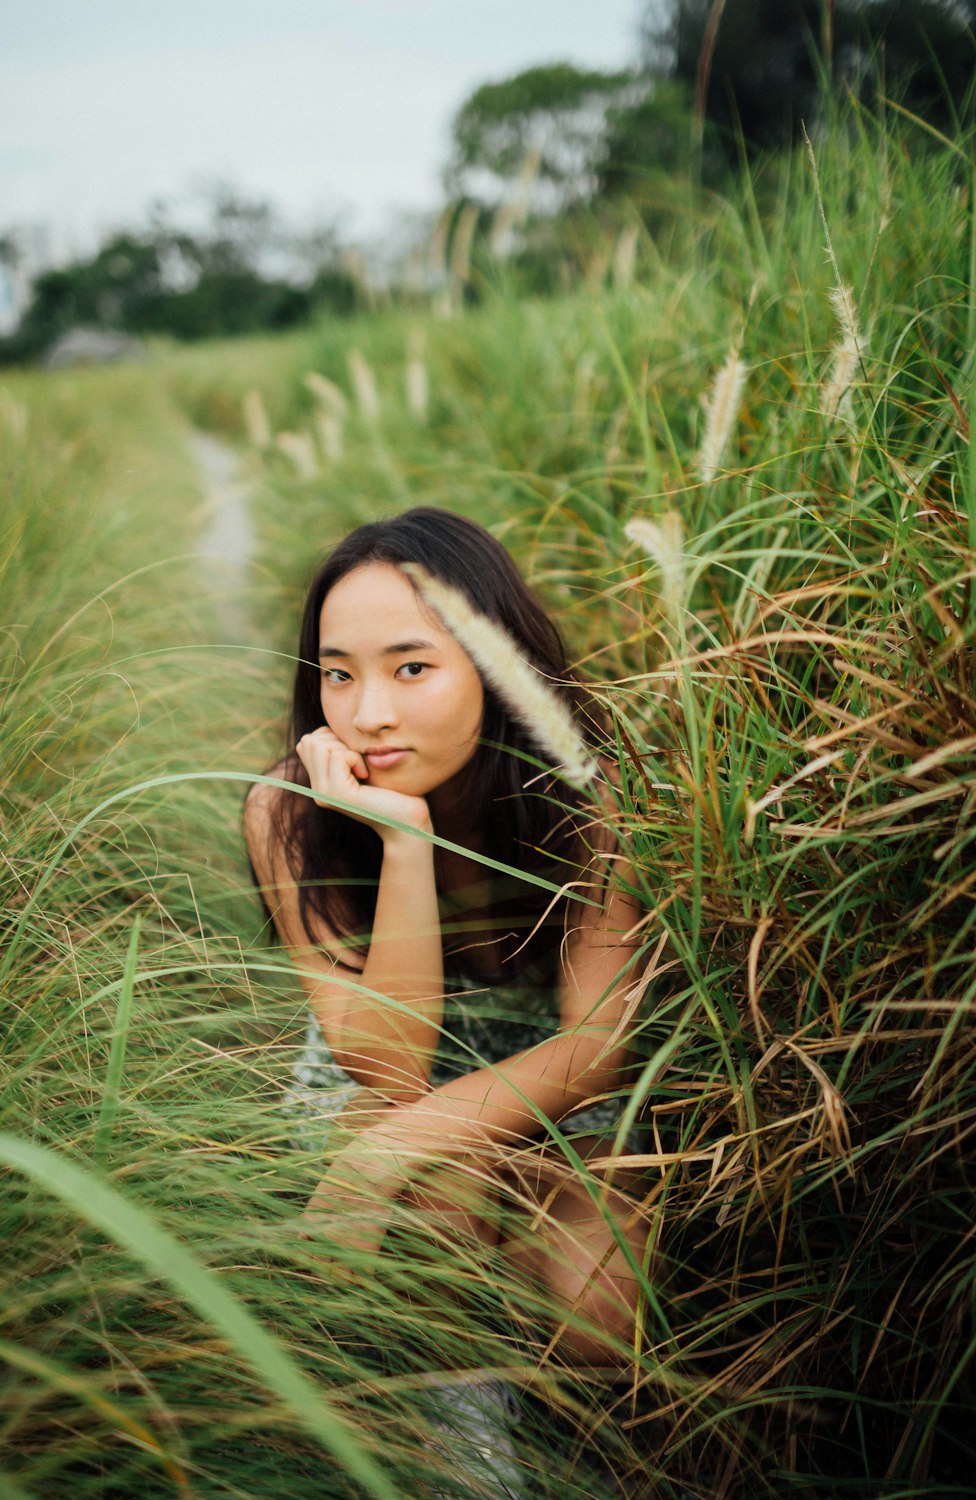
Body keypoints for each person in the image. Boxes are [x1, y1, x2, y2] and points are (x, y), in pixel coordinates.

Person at [244, 506, 650, 1496]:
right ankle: (461, 1427)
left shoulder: (588, 797)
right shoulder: (287, 807)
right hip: (383, 1072)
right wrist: (402, 843)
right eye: (338, 673)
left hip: (547, 1078)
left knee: (599, 1317)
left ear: (492, 665)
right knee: (439, 1230)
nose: (367, 714)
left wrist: (392, 1151)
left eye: (410, 667)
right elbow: (385, 1066)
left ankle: (516, 1375)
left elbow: (597, 1045)